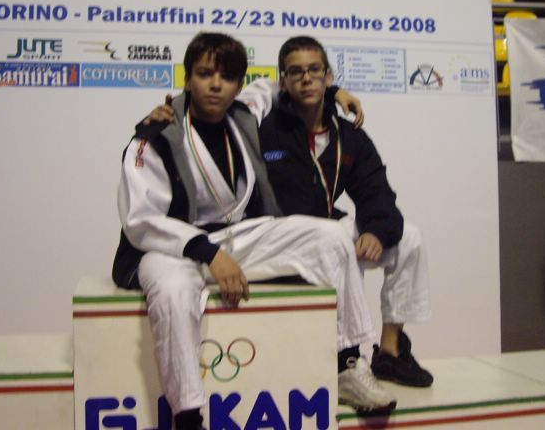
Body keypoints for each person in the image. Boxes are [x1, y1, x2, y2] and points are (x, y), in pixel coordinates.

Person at [113, 32, 396, 430]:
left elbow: (284, 85)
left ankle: (347, 363)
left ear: (238, 84)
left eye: (227, 77)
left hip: (237, 237)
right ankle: (188, 415)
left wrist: (334, 93)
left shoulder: (244, 111)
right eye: (205, 74)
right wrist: (209, 254)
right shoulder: (156, 135)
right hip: (171, 249)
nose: (216, 85)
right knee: (173, 292)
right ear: (187, 78)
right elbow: (140, 220)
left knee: (332, 237)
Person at [148, 35, 433, 387]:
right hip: (281, 234)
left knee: (408, 238)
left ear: (328, 77)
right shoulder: (262, 125)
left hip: (330, 225)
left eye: (315, 71)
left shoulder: (349, 136)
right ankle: (347, 360)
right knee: (334, 237)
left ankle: (390, 351)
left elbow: (377, 191)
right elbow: (225, 101)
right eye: (296, 72)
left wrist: (375, 231)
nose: (306, 79)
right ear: (283, 81)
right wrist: (171, 110)